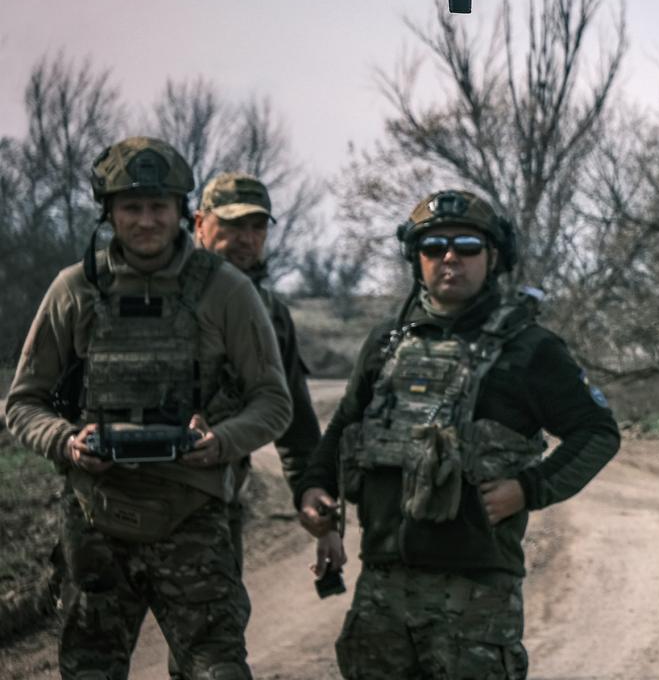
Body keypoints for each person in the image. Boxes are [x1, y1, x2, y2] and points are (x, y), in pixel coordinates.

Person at [296, 189, 621, 679]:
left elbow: (597, 432)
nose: (450, 258)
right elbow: (346, 423)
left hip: (476, 594)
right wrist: (315, 487)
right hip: (383, 585)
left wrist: (526, 490)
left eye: (467, 245)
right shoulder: (387, 342)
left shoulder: (530, 348)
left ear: (493, 258)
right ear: (416, 258)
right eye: (433, 247)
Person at [4, 136, 292, 679]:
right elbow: (22, 403)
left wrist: (222, 442)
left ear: (181, 212)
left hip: (193, 517)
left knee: (217, 669)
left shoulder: (226, 291)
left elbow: (273, 400)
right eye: (131, 207)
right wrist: (66, 441)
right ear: (109, 211)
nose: (146, 221)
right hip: (97, 520)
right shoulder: (74, 290)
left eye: (158, 207)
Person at [159, 172, 345, 680]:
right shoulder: (143, 288)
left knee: (211, 657)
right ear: (199, 223)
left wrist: (315, 504)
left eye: (257, 226)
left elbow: (298, 427)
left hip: (211, 507)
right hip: (116, 503)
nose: (245, 238)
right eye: (232, 224)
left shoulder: (269, 313)